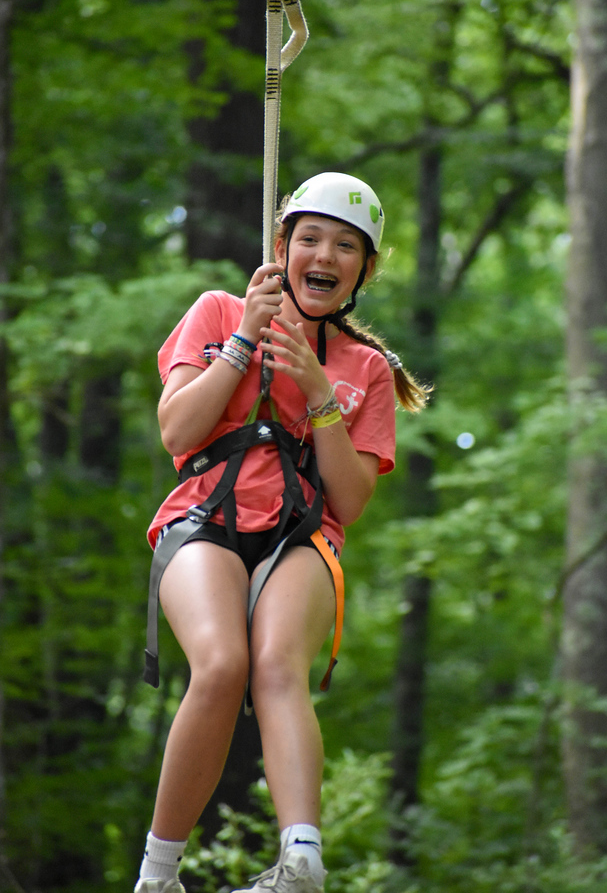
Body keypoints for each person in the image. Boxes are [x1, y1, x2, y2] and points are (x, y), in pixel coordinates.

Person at [134, 172, 428, 893]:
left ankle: (301, 860)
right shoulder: (218, 312)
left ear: (363, 268)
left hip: (301, 531)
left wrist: (321, 391)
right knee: (221, 663)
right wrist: (242, 340)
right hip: (205, 515)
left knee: (275, 667)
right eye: (311, 238)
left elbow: (350, 500)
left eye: (346, 246)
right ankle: (158, 875)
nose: (326, 254)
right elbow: (177, 430)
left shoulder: (365, 369)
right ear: (282, 247)